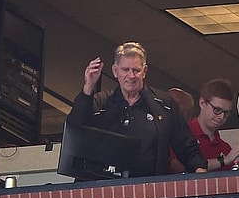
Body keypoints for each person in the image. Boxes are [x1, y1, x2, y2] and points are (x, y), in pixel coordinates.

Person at [66, 41, 207, 177]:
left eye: (136, 70)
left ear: (144, 71)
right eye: (125, 70)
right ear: (115, 71)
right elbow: (74, 128)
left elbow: (186, 145)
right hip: (106, 189)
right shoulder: (100, 103)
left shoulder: (164, 104)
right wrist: (88, 87)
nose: (131, 76)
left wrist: (200, 171)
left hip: (150, 189)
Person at [170, 78, 239, 173]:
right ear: (202, 103)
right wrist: (223, 161)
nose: (221, 117)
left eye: (226, 113)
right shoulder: (181, 134)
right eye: (217, 110)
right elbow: (179, 167)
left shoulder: (225, 148)